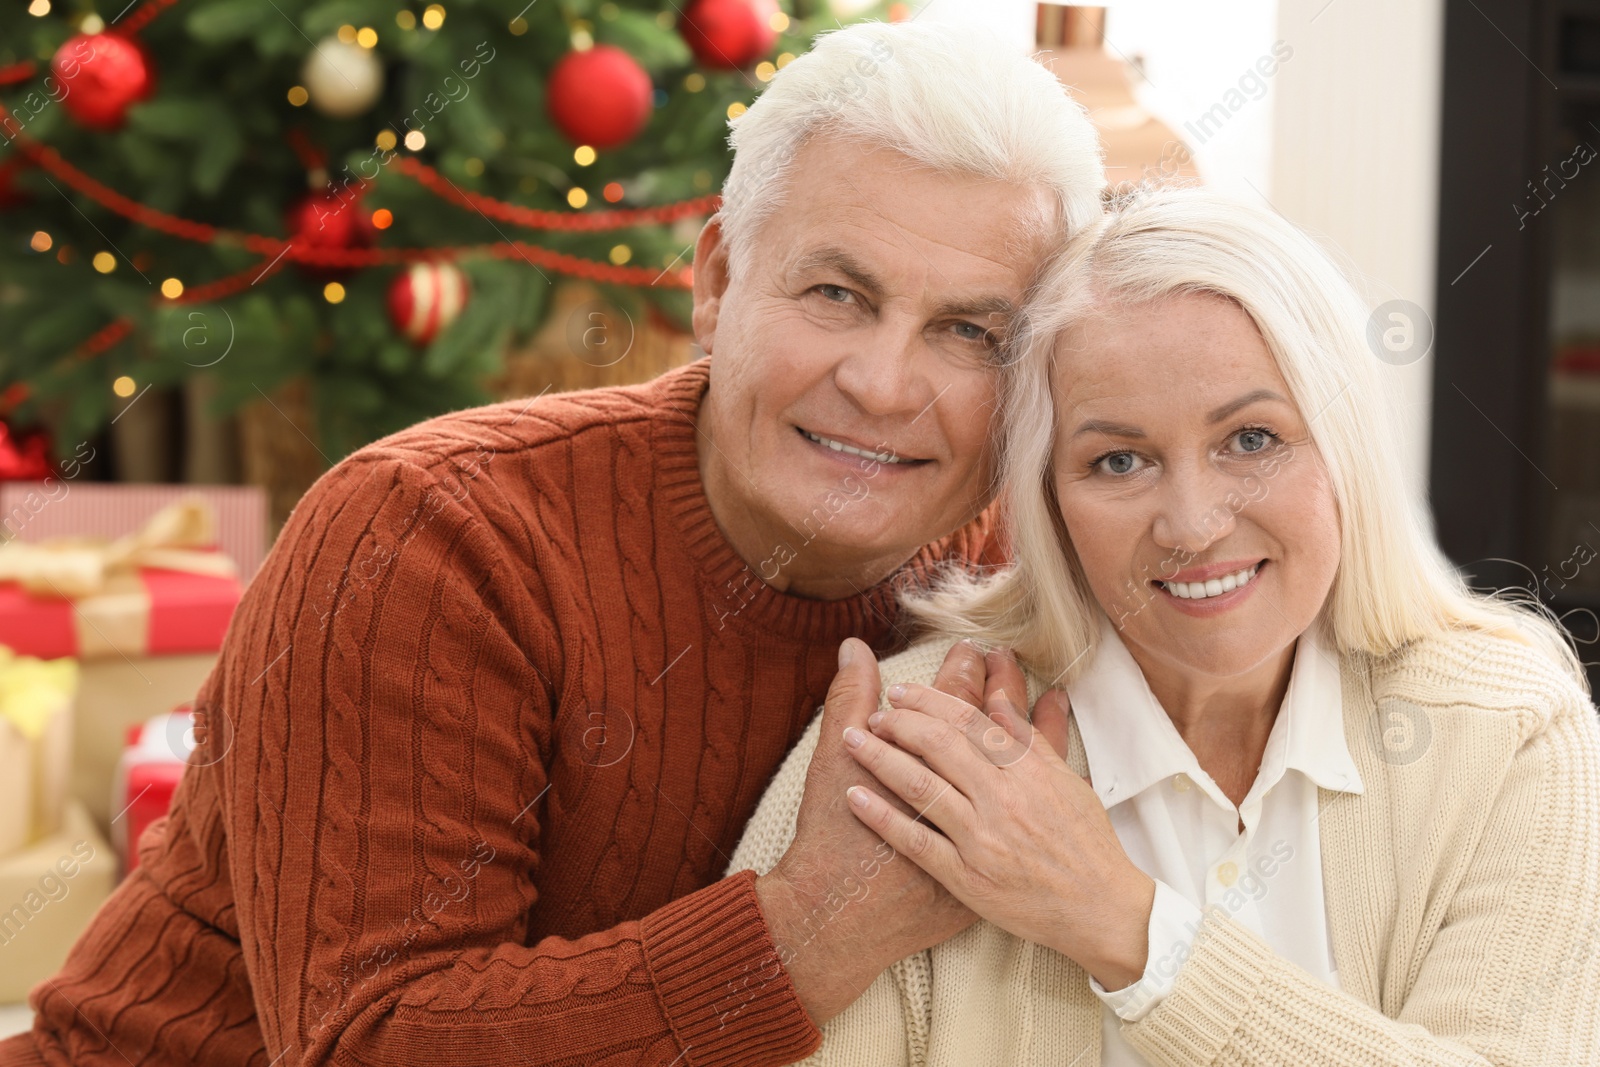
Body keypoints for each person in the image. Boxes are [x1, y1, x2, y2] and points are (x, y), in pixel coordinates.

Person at [0, 20, 1105, 1067]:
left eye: (970, 331)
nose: (882, 382)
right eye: (835, 292)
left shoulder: (1024, 573)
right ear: (716, 284)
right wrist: (810, 930)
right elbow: (369, 1044)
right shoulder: (431, 535)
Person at [729, 187, 1600, 1065]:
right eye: (1118, 459)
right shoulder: (914, 740)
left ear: (1346, 449)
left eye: (1251, 440)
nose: (1192, 524)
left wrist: (1125, 923)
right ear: (1047, 500)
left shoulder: (1511, 733)